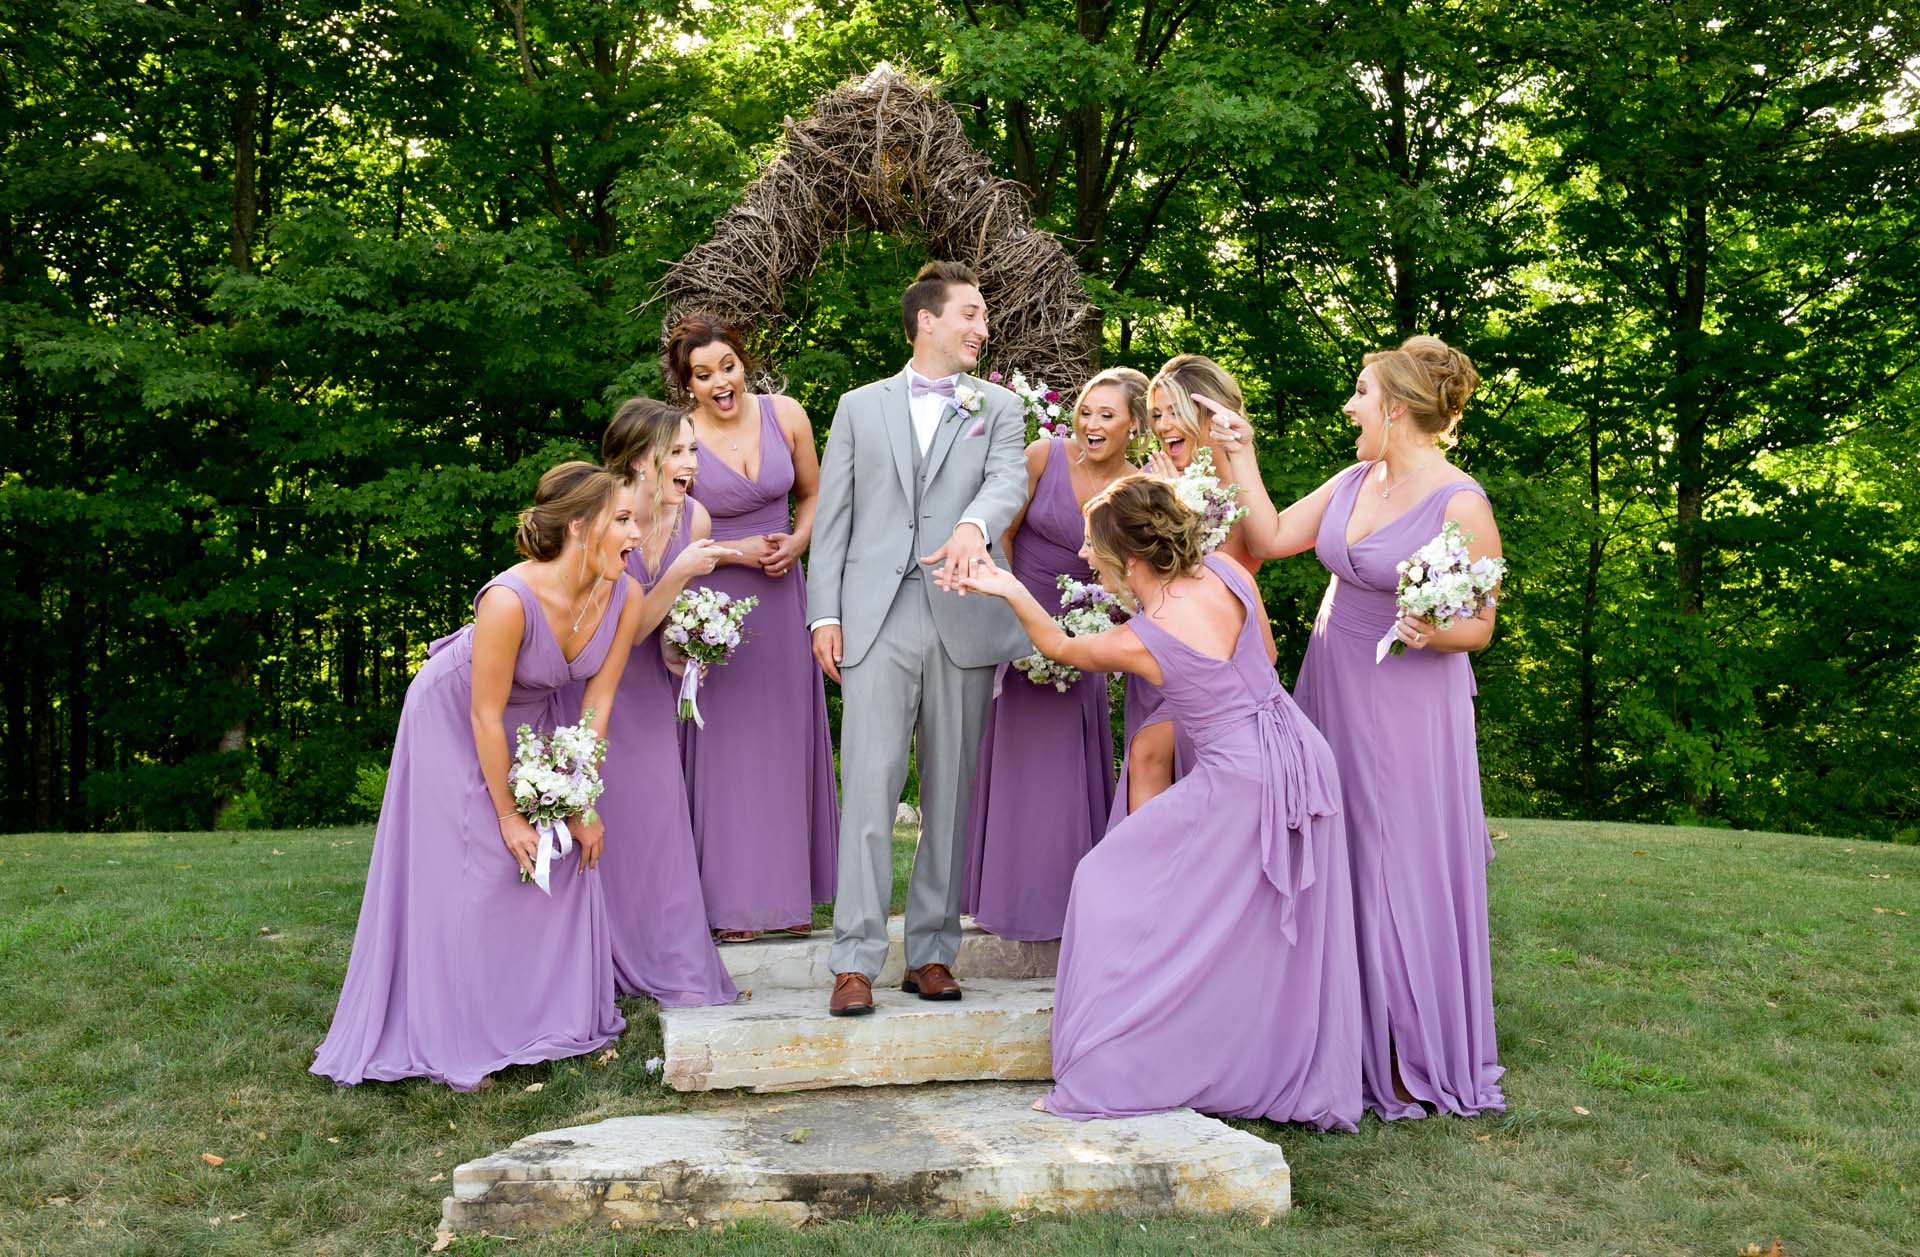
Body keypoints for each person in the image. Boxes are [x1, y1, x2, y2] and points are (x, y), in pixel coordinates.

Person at [957, 475, 1362, 1128]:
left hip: (1242, 780)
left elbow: (1058, 647)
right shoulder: (1229, 574)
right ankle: (1234, 1047)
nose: (1087, 557)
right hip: (1298, 751)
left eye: (1095, 549)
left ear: (1131, 561)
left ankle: (1119, 1063)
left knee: (1102, 877)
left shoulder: (1145, 637)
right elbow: (1254, 663)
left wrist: (1006, 587)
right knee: (1254, 918)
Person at [1215, 334, 1507, 1119]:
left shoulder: (1460, 503)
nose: (1350, 406)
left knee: (1400, 860)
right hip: (1333, 679)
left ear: (1401, 409)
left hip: (1412, 701)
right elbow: (1272, 539)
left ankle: (1412, 1051)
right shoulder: (1352, 478)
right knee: (1337, 847)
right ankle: (1339, 1031)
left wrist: (1429, 629)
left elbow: (1478, 625)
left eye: (1362, 394)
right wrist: (1240, 453)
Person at [313, 462, 646, 1090]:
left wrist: (582, 798)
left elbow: (597, 707)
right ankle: (453, 1034)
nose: (637, 534)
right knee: (483, 860)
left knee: (565, 853)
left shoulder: (624, 593)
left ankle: (539, 1018)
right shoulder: (507, 600)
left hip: (534, 719)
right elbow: (483, 714)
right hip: (455, 713)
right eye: (623, 520)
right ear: (580, 527)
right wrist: (508, 814)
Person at [807, 261, 1030, 1017]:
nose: (982, 326)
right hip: (873, 616)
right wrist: (823, 614)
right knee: (867, 791)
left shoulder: (998, 406)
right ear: (926, 320)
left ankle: (933, 951)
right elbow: (832, 517)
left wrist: (974, 523)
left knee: (951, 791)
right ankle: (854, 960)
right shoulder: (857, 407)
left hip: (962, 611)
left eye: (985, 316)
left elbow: (1008, 483)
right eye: (970, 313)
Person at [668, 316, 838, 942]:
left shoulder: (787, 414)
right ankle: (727, 907)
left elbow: (816, 495)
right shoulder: (679, 437)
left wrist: (797, 542)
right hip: (714, 603)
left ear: (745, 362)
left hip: (781, 592)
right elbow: (670, 524)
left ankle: (790, 900)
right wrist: (736, 552)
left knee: (782, 739)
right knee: (726, 750)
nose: (721, 383)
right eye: (704, 375)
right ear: (687, 384)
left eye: (728, 367)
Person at [960, 367, 1145, 942]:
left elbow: (1138, 573)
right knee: (1014, 756)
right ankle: (999, 898)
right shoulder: (1043, 455)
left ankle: (1063, 901)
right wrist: (1009, 610)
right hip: (1020, 617)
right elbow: (1003, 533)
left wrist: (1101, 623)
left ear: (1132, 425)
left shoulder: (1139, 484)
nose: (1090, 423)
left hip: (1088, 633)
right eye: (1086, 410)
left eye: (1105, 415)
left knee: (1067, 763)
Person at [585, 398, 741, 1007]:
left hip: (647, 682)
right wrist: (677, 575)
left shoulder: (694, 519)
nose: (689, 463)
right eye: (675, 451)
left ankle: (661, 953)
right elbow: (615, 631)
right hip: (591, 683)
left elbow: (658, 627)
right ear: (639, 459)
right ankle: (595, 954)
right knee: (593, 814)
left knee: (656, 820)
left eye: (693, 450)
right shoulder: (605, 513)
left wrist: (689, 642)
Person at [1111, 355, 1265, 823]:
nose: (1162, 426)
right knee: (1149, 763)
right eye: (1156, 415)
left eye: (1173, 412)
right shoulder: (1151, 484)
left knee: (1167, 766)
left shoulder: (1241, 489)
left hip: (1212, 669)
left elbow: (1232, 571)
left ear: (1208, 415)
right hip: (1156, 658)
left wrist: (1179, 503)